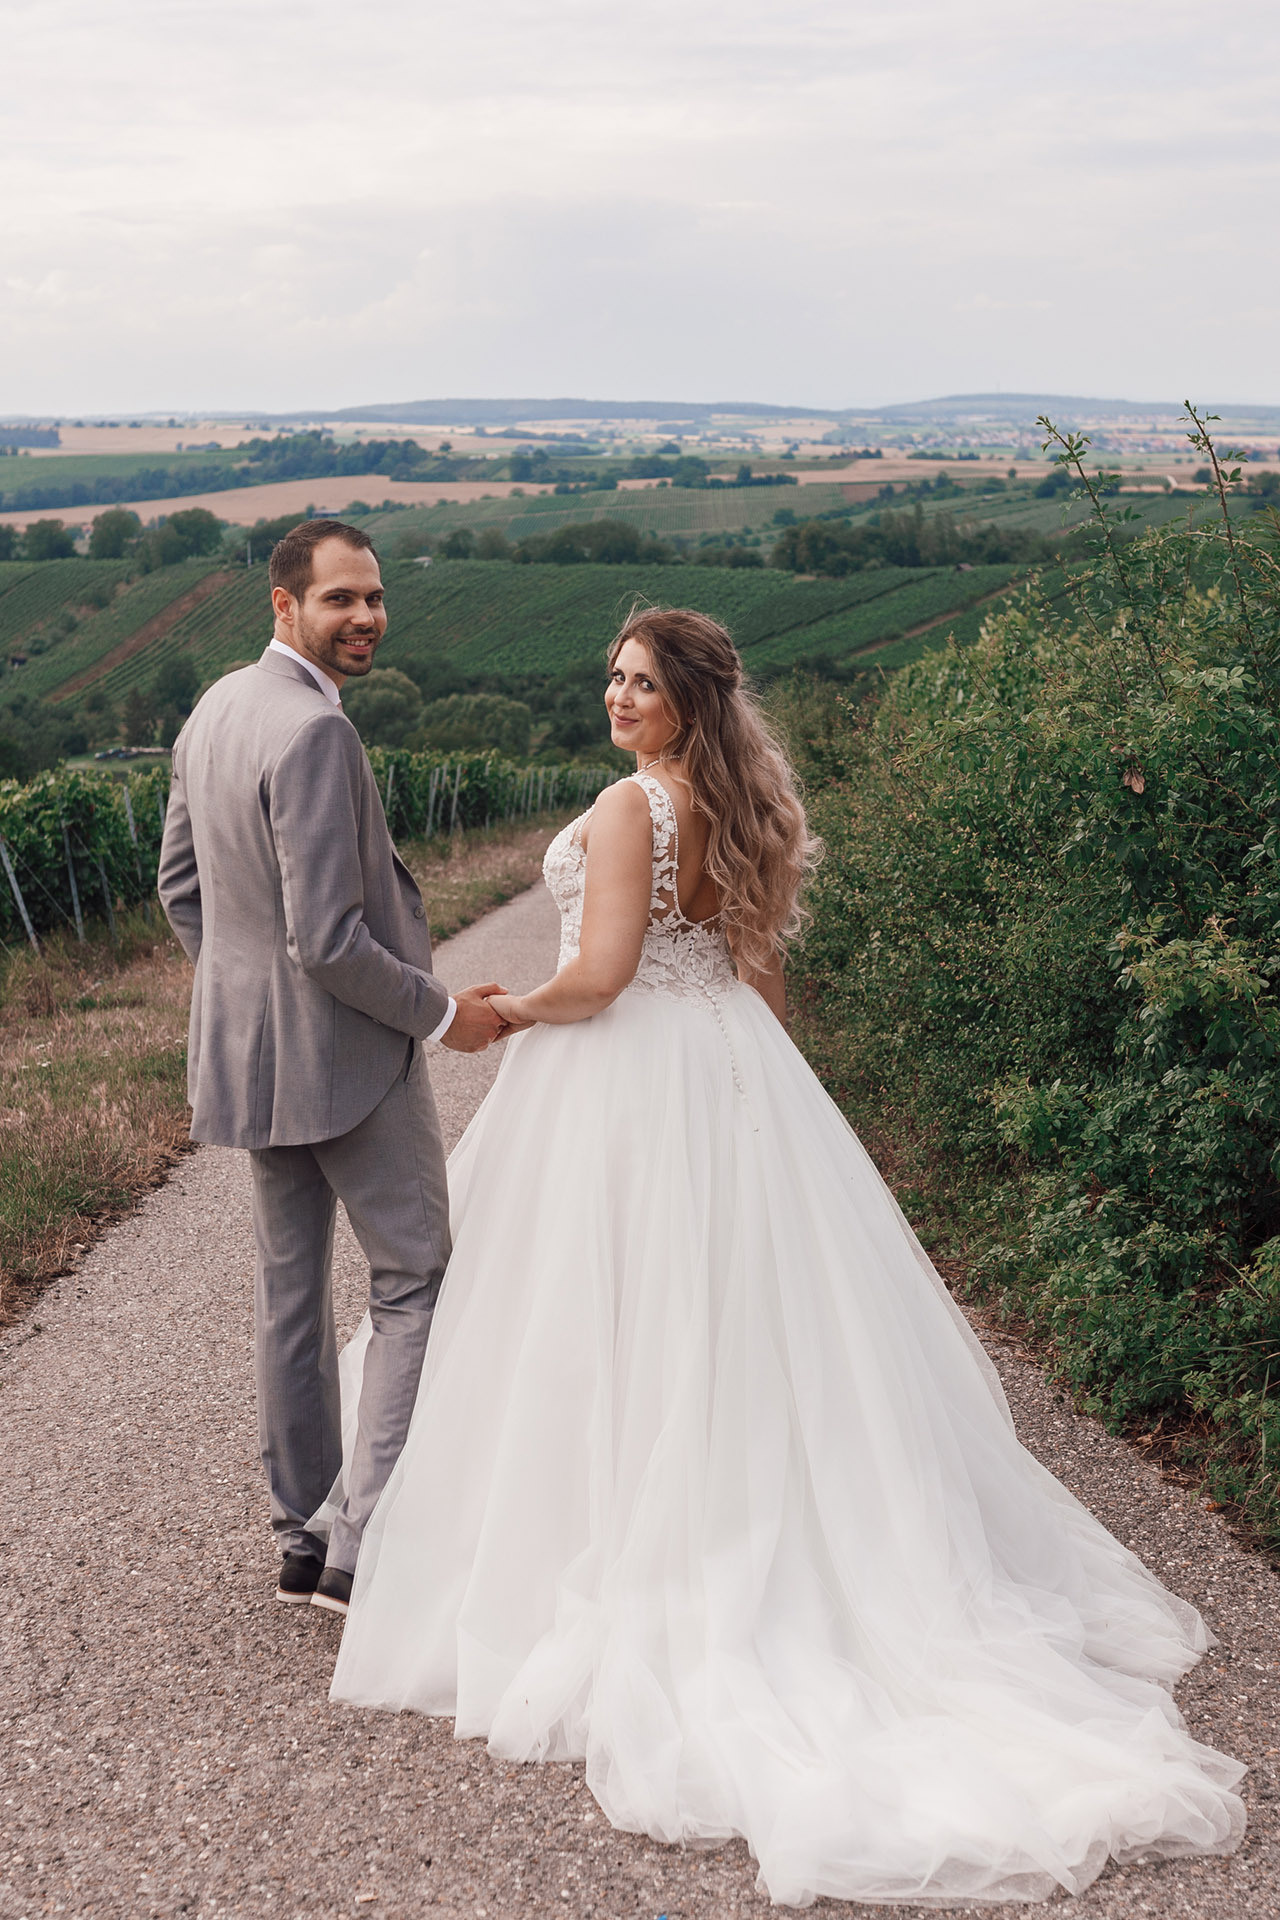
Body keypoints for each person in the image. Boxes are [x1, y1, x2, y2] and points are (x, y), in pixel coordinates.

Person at [327, 605, 1245, 1907]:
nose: (616, 696)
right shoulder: (738, 804)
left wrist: (500, 1014)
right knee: (737, 1320)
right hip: (724, 1068)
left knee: (608, 1312)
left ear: (688, 699)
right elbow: (753, 982)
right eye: (612, 675)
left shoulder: (637, 804)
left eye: (641, 682)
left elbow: (600, 975)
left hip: (630, 1075)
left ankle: (606, 1534)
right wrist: (772, 1109)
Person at [158, 519, 505, 1617]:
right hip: (348, 1058)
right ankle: (361, 1542)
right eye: (339, 600)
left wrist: (242, 1002)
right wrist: (445, 1013)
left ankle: (299, 1531)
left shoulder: (214, 708)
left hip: (252, 1062)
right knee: (411, 1281)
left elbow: (181, 890)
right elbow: (331, 940)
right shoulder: (314, 733)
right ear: (284, 605)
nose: (363, 617)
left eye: (373, 597)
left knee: (290, 1299)